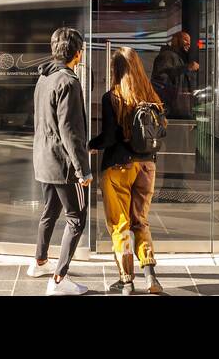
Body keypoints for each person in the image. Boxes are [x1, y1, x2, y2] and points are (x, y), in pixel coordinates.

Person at [90, 47, 167, 294]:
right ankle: (151, 277)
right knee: (140, 221)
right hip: (147, 165)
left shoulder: (112, 97)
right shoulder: (152, 95)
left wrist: (92, 145)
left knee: (120, 225)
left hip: (119, 168)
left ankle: (126, 281)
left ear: (116, 69)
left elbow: (110, 138)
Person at [28, 27, 92, 296]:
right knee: (77, 218)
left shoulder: (44, 78)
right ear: (77, 53)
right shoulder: (69, 81)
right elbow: (70, 130)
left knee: (50, 211)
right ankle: (58, 279)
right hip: (63, 165)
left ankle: (39, 262)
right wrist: (83, 170)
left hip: (43, 159)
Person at [151, 30, 200, 117]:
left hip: (174, 109)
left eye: (189, 41)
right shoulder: (166, 56)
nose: (189, 43)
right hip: (170, 111)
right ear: (176, 40)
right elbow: (161, 79)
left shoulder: (175, 57)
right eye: (185, 39)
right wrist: (186, 68)